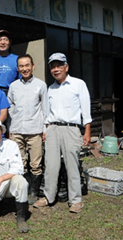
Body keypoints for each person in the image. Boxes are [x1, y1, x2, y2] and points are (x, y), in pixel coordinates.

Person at [33, 53, 92, 213]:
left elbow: (86, 109)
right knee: (51, 164)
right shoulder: (50, 88)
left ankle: (76, 200)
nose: (56, 69)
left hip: (71, 128)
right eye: (53, 66)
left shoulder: (78, 84)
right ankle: (48, 197)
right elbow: (46, 112)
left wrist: (87, 132)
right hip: (52, 128)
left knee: (72, 164)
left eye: (59, 65)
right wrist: (46, 129)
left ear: (66, 67)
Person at [7, 54, 48, 205]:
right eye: (21, 66)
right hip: (17, 129)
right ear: (18, 68)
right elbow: (10, 105)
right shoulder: (13, 86)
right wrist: (12, 124)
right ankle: (22, 190)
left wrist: (44, 128)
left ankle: (34, 192)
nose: (24, 69)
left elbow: (45, 108)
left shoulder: (41, 85)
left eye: (27, 65)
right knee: (20, 162)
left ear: (33, 66)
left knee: (36, 163)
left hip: (34, 130)